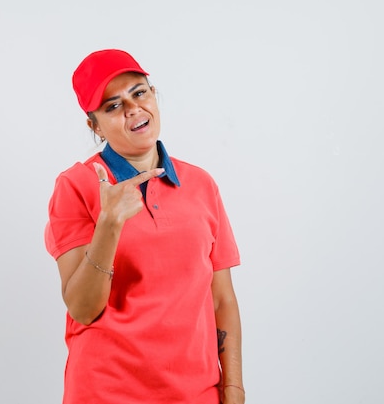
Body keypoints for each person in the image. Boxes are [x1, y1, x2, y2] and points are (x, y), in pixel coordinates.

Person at [44, 49, 245, 404]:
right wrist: (109, 223)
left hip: (195, 394)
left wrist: (233, 388)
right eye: (112, 106)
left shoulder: (201, 184)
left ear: (153, 95)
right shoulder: (75, 185)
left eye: (139, 92)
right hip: (106, 392)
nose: (133, 108)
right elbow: (82, 308)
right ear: (94, 125)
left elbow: (222, 299)